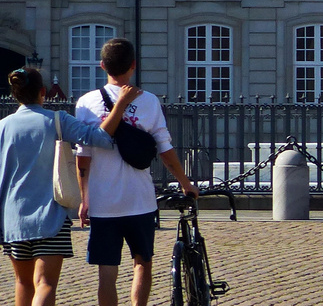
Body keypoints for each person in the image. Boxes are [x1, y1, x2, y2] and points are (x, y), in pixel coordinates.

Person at [75, 39, 197, 306]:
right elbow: (165, 151)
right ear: (133, 66)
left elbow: (83, 159)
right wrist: (186, 183)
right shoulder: (149, 101)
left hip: (102, 200)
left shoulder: (86, 103)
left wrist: (84, 199)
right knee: (142, 263)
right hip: (139, 199)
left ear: (102, 65)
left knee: (106, 273)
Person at [0, 67, 135, 306]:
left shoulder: (2, 127)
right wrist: (120, 104)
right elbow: (101, 139)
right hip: (51, 215)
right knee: (45, 284)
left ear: (14, 94)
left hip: (13, 218)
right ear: (43, 92)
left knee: (23, 283)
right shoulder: (57, 120)